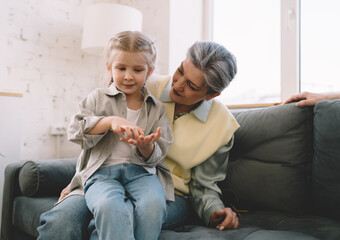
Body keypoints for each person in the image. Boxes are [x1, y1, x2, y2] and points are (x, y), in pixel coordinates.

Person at [38, 40, 240, 240]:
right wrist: (79, 177)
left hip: (167, 193)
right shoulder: (141, 80)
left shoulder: (222, 124)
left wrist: (214, 210)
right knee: (61, 221)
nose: (177, 85)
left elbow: (204, 184)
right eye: (180, 71)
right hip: (104, 177)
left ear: (211, 95)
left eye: (191, 86)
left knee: (118, 221)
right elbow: (96, 127)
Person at [38, 31, 174, 240]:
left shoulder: (156, 109)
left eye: (137, 69)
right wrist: (109, 122)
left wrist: (145, 146)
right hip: (102, 175)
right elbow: (75, 130)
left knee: (154, 205)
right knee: (108, 206)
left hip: (141, 175)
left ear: (149, 71)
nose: (128, 76)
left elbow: (159, 154)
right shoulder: (97, 98)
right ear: (110, 67)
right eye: (121, 68)